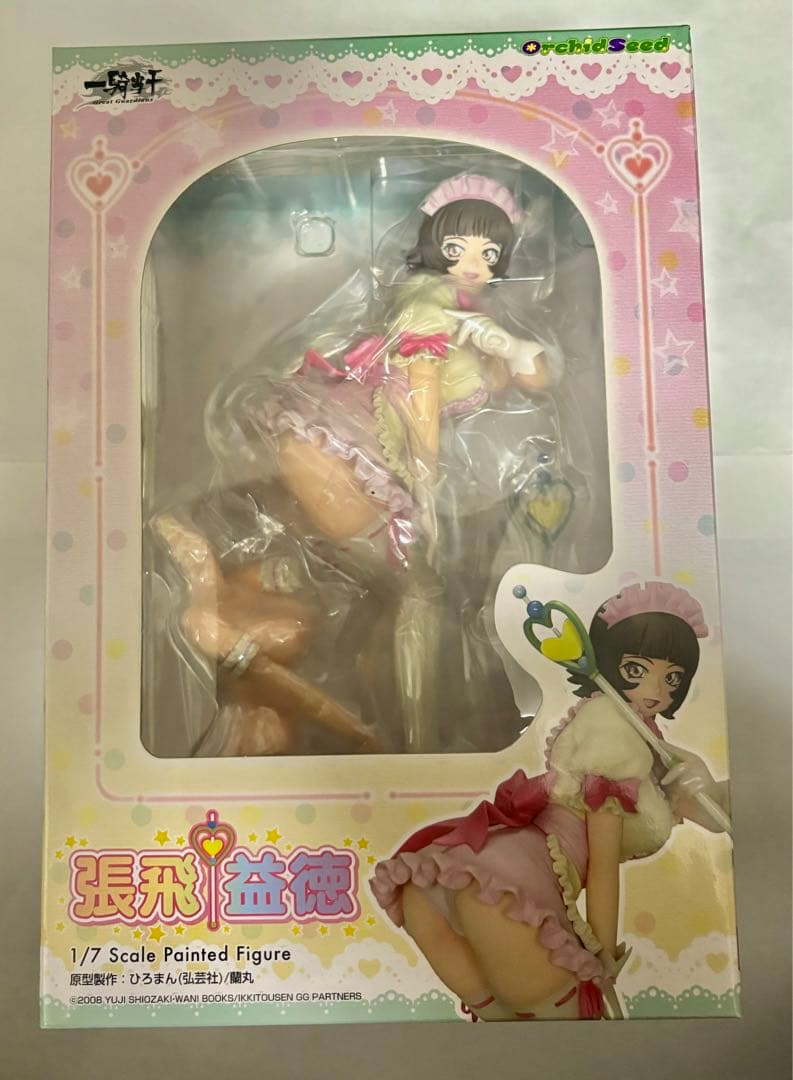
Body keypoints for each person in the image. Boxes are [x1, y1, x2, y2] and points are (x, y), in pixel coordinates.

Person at [369, 581, 730, 1019]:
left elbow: (711, 814)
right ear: (607, 662)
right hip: (515, 879)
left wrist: (703, 783)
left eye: (672, 677)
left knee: (508, 1024)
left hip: (459, 874)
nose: (656, 688)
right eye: (636, 670)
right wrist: (602, 955)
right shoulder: (614, 738)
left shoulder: (636, 742)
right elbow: (601, 865)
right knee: (554, 1023)